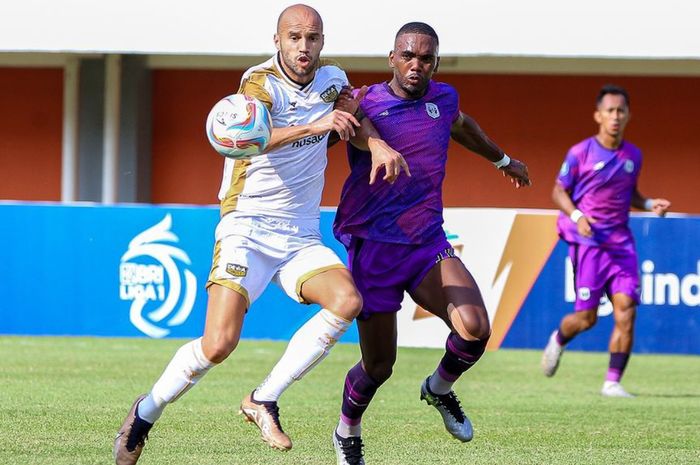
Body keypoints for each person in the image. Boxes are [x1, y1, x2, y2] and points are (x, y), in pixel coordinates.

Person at [113, 5, 408, 464]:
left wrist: (374, 141)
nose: (303, 47)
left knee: (348, 300)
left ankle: (264, 399)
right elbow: (253, 136)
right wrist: (317, 124)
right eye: (294, 37)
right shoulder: (258, 83)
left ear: (322, 42)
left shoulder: (333, 79)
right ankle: (145, 413)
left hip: (300, 232)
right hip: (247, 225)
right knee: (217, 345)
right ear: (277, 40)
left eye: (312, 38)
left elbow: (349, 120)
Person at [330, 22, 531, 464]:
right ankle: (347, 430)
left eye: (425, 58)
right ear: (392, 58)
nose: (416, 65)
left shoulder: (444, 98)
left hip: (426, 243)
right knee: (380, 367)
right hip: (373, 248)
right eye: (408, 55)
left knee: (475, 328)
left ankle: (438, 389)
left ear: (435, 62)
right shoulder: (364, 101)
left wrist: (502, 159)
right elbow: (333, 132)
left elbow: (462, 126)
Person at [541, 84, 671, 398]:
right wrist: (577, 217)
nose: (615, 116)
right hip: (589, 244)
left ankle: (612, 382)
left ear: (628, 116)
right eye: (610, 111)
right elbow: (558, 191)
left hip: (621, 244)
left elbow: (631, 195)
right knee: (586, 318)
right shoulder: (580, 152)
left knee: (626, 308)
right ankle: (558, 339)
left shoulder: (633, 155)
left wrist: (650, 202)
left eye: (621, 111)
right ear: (598, 115)